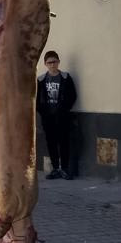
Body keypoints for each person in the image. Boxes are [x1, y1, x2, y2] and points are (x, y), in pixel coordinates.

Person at [37, 50, 78, 180]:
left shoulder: (65, 78)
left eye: (55, 61)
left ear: (58, 62)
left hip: (62, 116)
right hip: (47, 117)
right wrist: (43, 112)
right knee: (51, 143)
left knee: (64, 142)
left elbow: (72, 96)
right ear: (45, 64)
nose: (52, 64)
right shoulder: (41, 80)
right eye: (49, 62)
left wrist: (64, 109)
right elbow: (36, 99)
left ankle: (64, 169)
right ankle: (55, 168)